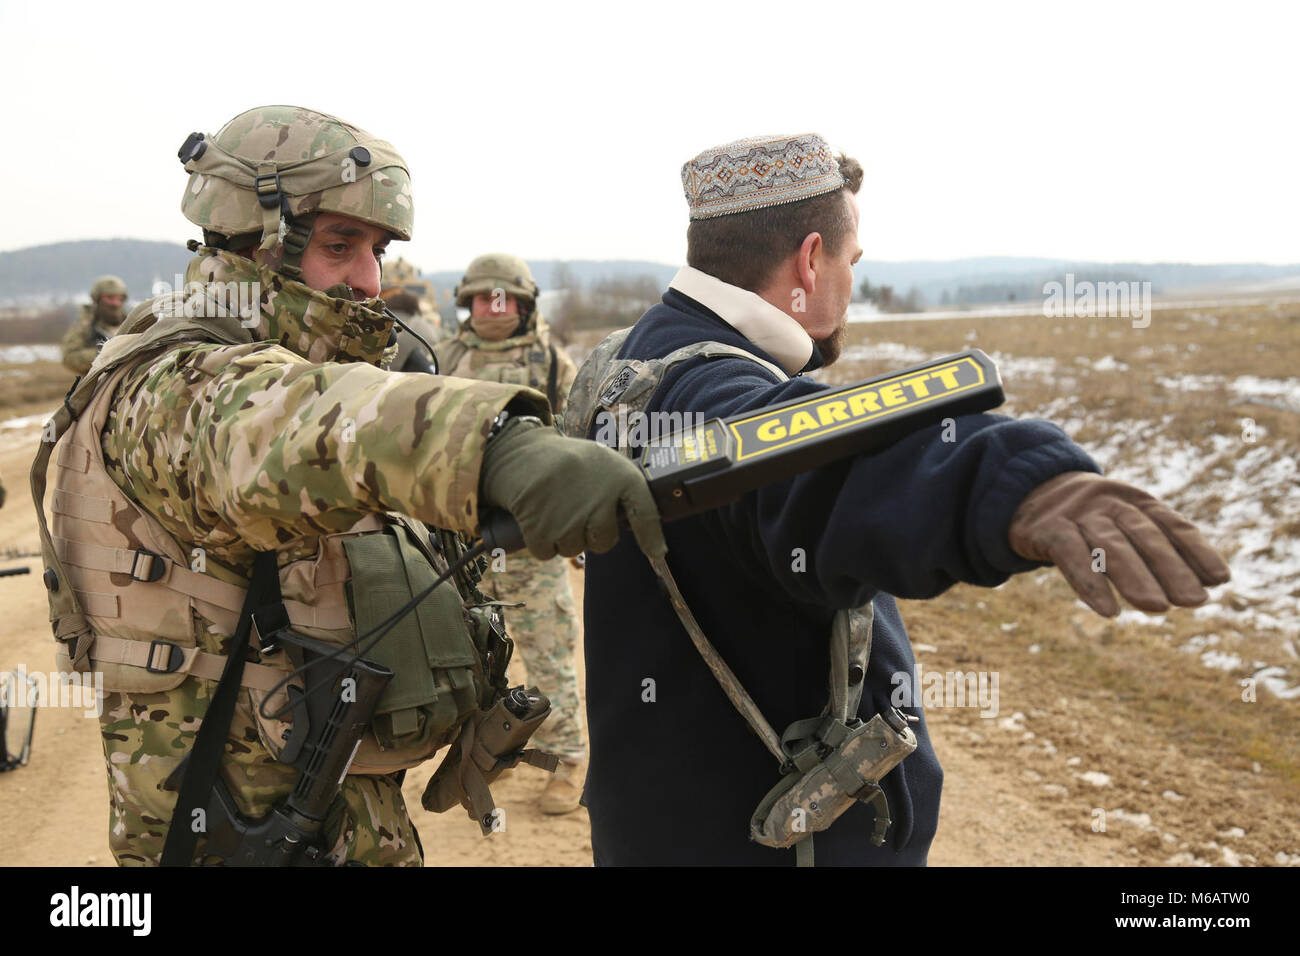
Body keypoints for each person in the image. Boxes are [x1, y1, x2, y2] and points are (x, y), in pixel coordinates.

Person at [566, 133, 1230, 866]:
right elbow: (807, 467)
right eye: (852, 263)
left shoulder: (636, 361)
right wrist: (1007, 484)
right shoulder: (708, 391)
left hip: (663, 824)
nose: (852, 284)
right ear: (811, 260)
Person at [30, 105, 663, 867]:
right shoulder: (166, 385)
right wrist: (493, 447)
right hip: (240, 834)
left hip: (340, 819)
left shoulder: (295, 363)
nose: (370, 279)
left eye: (378, 249)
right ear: (251, 242)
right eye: (340, 246)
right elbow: (283, 426)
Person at [437, 254, 587, 814]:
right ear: (466, 302)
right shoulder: (446, 358)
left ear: (524, 304)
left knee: (549, 652)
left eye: (504, 299)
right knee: (472, 657)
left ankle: (566, 759)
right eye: (483, 298)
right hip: (462, 538)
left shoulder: (551, 361)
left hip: (531, 536)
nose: (493, 308)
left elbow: (576, 446)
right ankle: (488, 754)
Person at [62, 275, 128, 374]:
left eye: (119, 298)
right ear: (97, 299)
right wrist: (106, 353)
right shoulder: (85, 325)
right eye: (110, 298)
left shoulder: (132, 323)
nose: (115, 303)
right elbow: (69, 357)